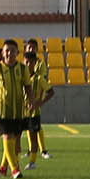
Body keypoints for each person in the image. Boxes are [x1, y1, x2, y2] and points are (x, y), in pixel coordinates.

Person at [0, 39, 31, 179]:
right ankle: (14, 169)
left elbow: (27, 86)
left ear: (17, 53)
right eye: (7, 51)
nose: (9, 53)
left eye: (12, 51)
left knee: (13, 140)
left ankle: (3, 168)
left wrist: (32, 101)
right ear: (3, 53)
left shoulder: (23, 69)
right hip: (2, 109)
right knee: (7, 136)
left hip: (18, 110)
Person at [22, 39, 56, 167]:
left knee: (33, 132)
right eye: (28, 48)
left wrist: (39, 102)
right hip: (21, 110)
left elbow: (48, 89)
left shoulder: (39, 71)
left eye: (33, 48)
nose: (30, 50)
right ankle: (13, 161)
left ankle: (37, 156)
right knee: (16, 135)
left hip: (34, 108)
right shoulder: (20, 73)